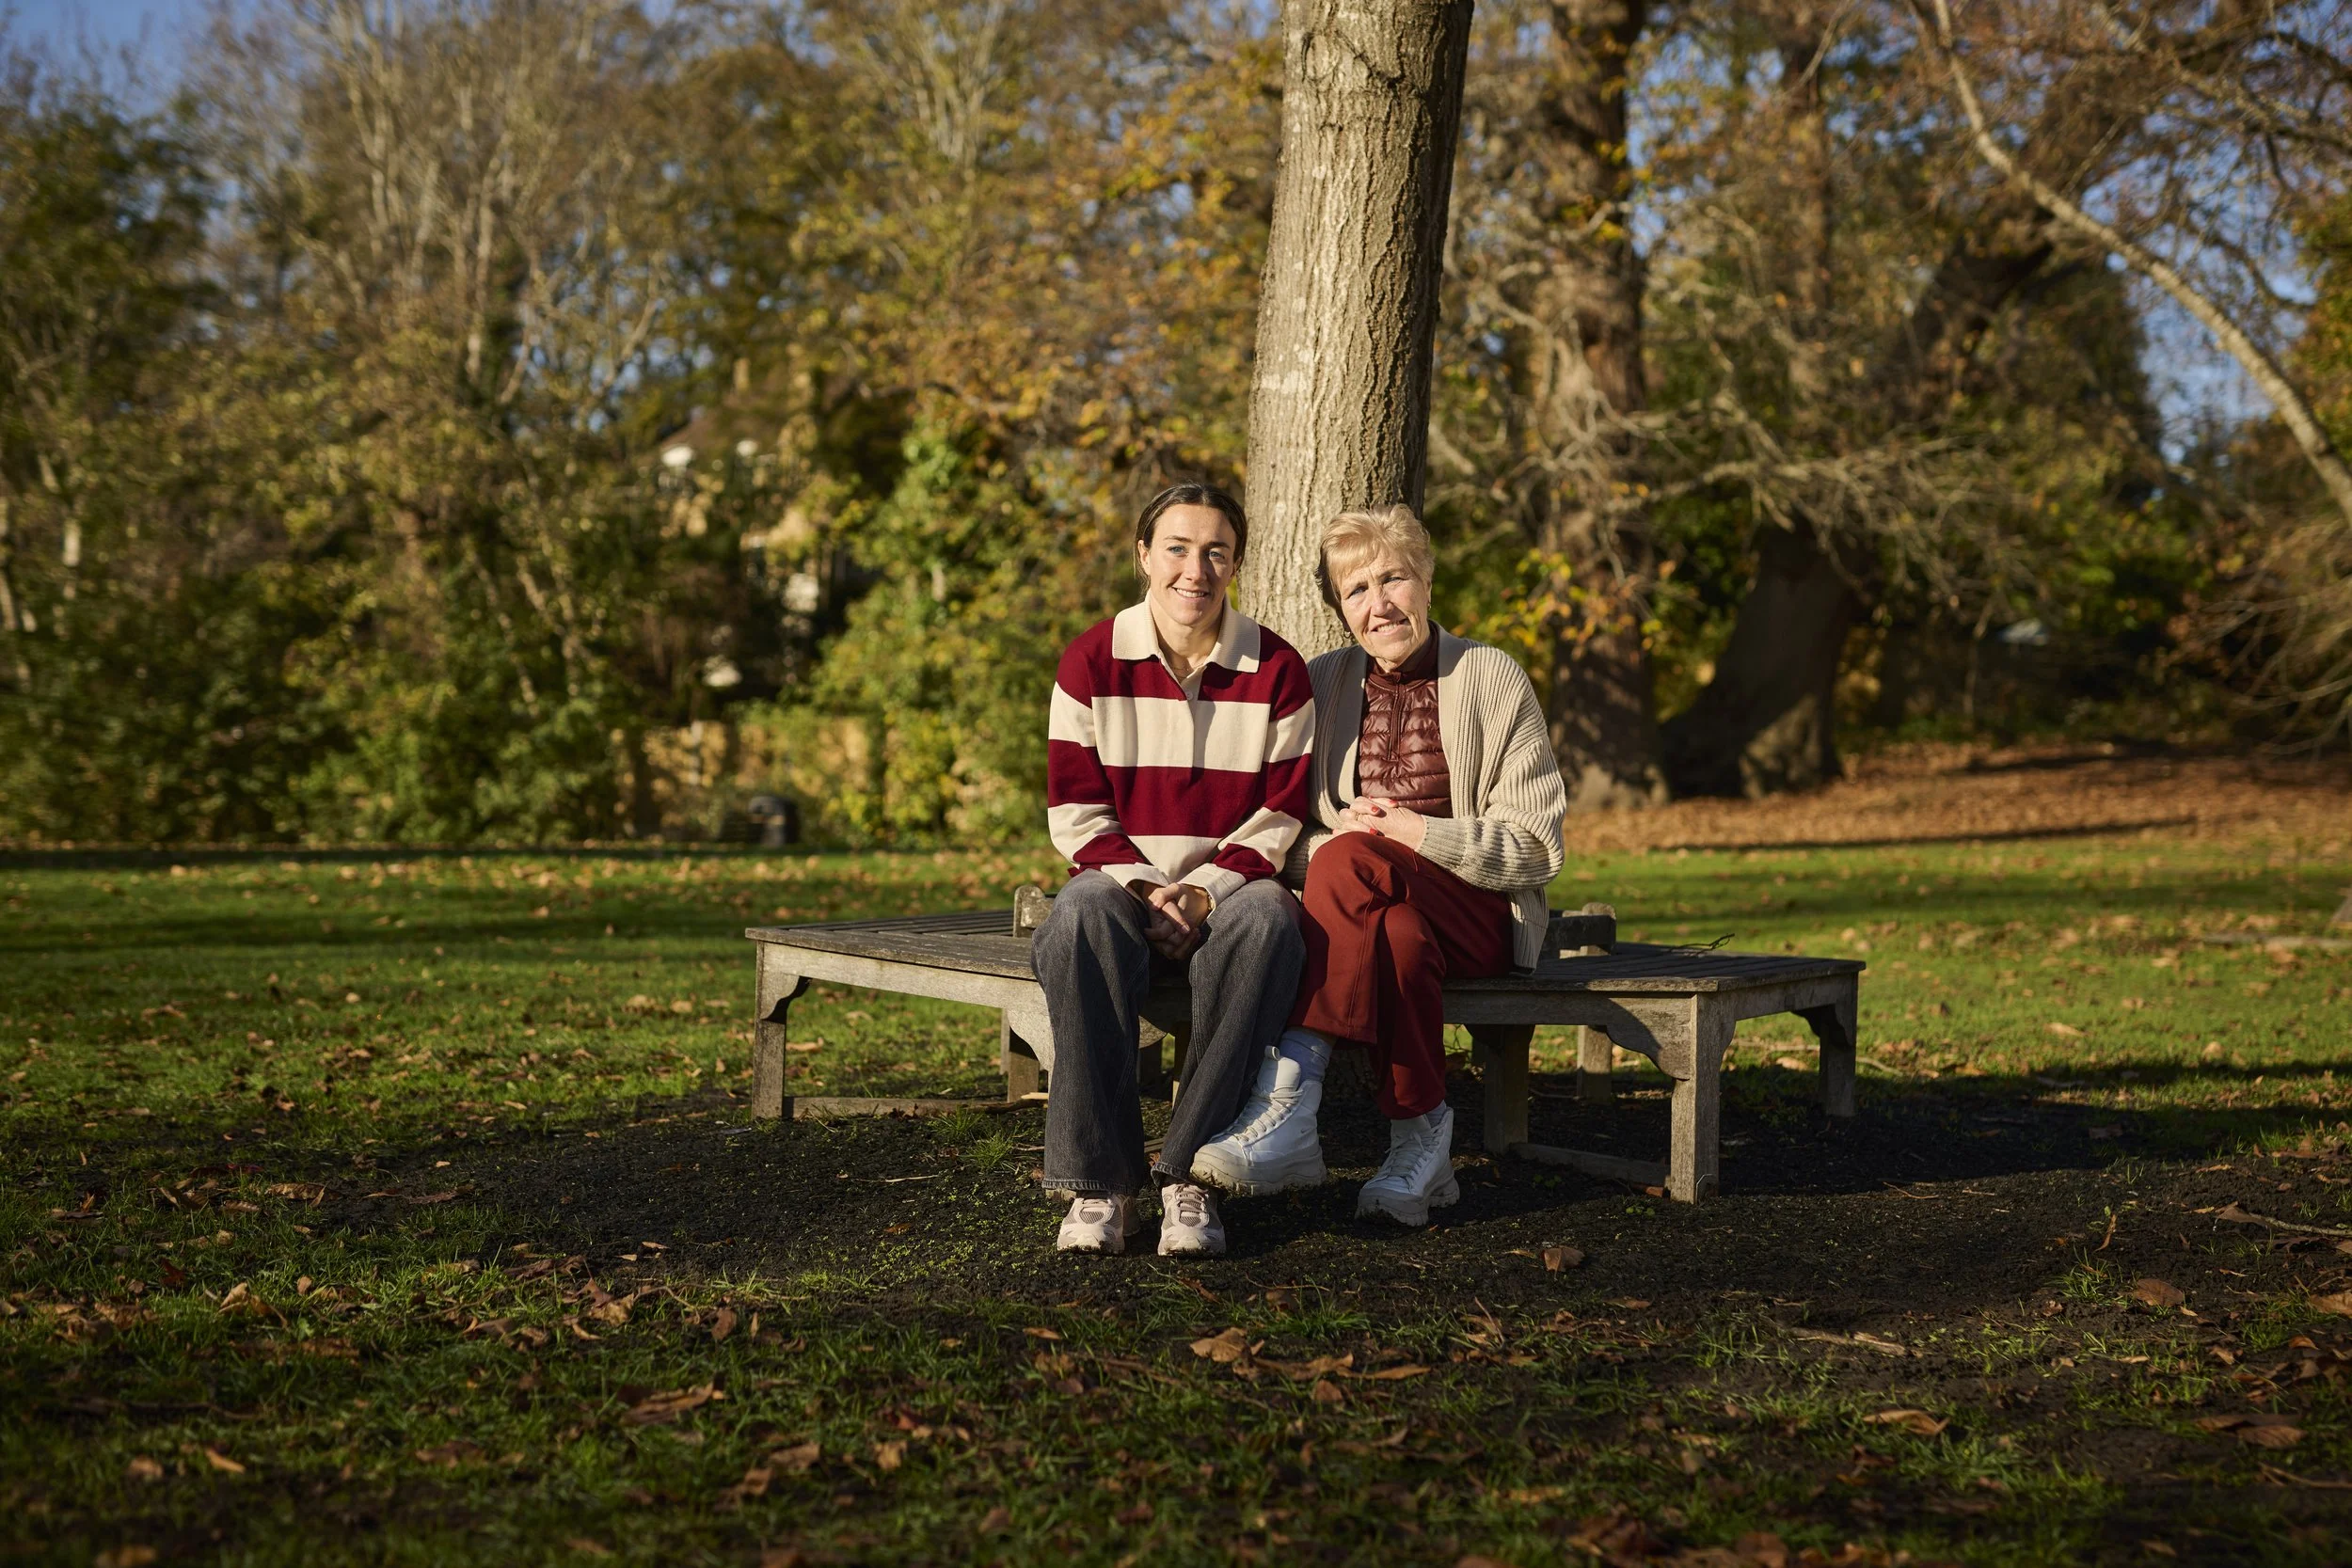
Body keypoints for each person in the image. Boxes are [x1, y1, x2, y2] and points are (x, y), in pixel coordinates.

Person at [1189, 503, 1567, 1226]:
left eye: (1393, 577)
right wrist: (1333, 845)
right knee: (1396, 932)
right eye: (1356, 589)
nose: (1379, 602)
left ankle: (1292, 1099)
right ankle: (1421, 1143)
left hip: (1478, 914)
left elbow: (1537, 848)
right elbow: (1282, 834)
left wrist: (1419, 834)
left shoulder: (1492, 675)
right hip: (1375, 913)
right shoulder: (1322, 682)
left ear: (1425, 579)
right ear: (1339, 607)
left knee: (1361, 857)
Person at [1033, 483, 1314, 1256]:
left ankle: (1187, 1173)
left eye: (1216, 551)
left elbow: (1281, 814)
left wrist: (1202, 890)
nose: (1197, 569)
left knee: (1272, 919)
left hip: (1230, 888)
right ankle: (1101, 1186)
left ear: (1236, 563)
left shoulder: (1278, 668)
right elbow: (1078, 814)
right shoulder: (1091, 659)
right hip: (1120, 883)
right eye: (1178, 548)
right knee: (1080, 915)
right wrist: (1150, 889)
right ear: (1144, 556)